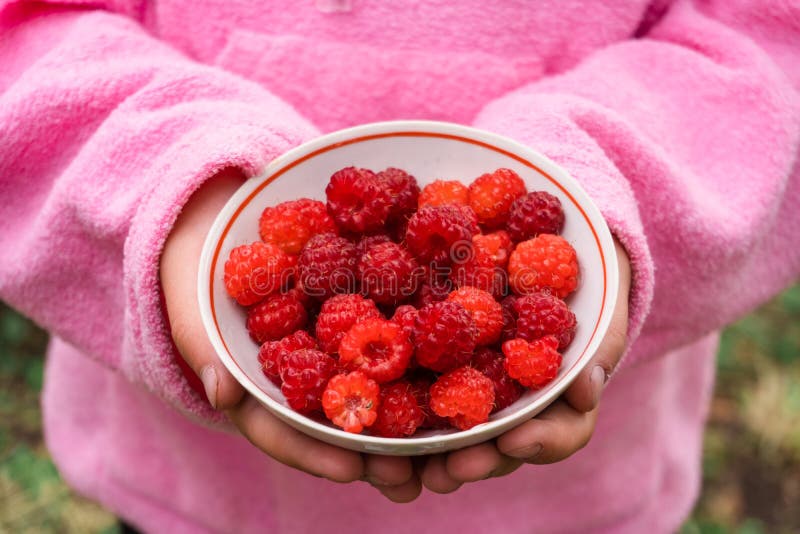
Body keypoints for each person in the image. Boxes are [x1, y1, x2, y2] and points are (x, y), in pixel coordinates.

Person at [1, 0, 798, 532]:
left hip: (571, 500)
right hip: (193, 490)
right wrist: (174, 201)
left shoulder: (480, 289)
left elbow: (771, 42)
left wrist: (604, 190)